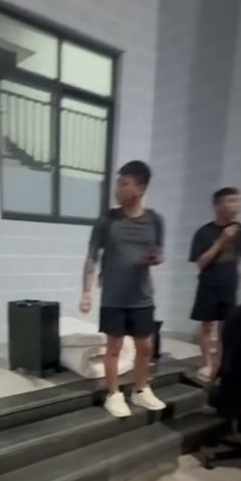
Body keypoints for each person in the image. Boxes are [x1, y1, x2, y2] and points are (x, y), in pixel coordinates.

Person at [80, 160, 166, 418]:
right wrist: (86, 292)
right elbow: (91, 257)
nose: (117, 189)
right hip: (113, 297)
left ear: (140, 188)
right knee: (114, 348)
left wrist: (156, 259)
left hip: (142, 296)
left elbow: (160, 254)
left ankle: (140, 390)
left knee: (146, 347)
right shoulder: (107, 220)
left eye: (124, 183)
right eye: (118, 183)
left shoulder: (155, 220)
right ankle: (113, 394)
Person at [189, 187, 241, 382]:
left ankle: (221, 365)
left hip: (229, 287)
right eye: (230, 201)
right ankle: (205, 364)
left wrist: (236, 276)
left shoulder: (240, 230)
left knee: (227, 329)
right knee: (207, 327)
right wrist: (222, 240)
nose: (236, 206)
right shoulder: (204, 232)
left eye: (237, 201)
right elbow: (201, 263)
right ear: (217, 205)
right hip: (208, 285)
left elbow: (238, 257)